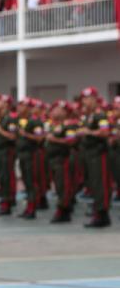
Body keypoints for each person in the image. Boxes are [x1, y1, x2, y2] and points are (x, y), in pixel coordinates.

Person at [76, 87, 113, 227]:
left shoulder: (100, 116)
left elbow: (105, 132)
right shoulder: (88, 116)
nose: (85, 101)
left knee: (100, 184)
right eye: (84, 98)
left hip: (98, 154)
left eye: (87, 98)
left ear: (94, 99)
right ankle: (98, 211)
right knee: (93, 184)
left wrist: (89, 132)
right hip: (89, 154)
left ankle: (102, 214)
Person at [47, 101, 79, 223]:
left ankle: (63, 210)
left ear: (65, 112)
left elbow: (71, 141)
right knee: (59, 186)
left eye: (59, 109)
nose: (55, 110)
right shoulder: (55, 125)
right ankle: (64, 208)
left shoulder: (69, 126)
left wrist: (54, 139)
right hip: (55, 159)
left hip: (63, 159)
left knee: (63, 186)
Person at [0, 95, 18, 216]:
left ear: (6, 104)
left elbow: (13, 136)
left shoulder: (10, 119)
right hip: (0, 151)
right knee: (2, 177)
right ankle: (5, 200)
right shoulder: (1, 118)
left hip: (7, 151)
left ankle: (6, 204)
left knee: (6, 177)